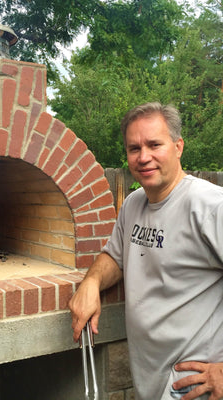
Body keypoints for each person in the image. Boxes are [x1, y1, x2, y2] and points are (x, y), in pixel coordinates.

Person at [69, 102, 223, 400]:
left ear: (178, 147)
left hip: (193, 385)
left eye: (155, 144)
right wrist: (91, 282)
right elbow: (115, 256)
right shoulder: (134, 204)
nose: (144, 157)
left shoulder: (210, 207)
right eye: (134, 148)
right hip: (151, 380)